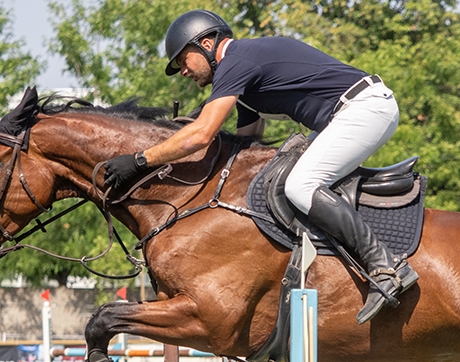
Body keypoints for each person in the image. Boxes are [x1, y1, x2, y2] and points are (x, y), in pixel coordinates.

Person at [103, 9, 418, 324]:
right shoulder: (243, 80)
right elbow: (247, 144)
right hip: (349, 113)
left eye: (183, 59)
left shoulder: (237, 60)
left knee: (300, 185)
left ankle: (385, 265)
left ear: (206, 43)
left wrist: (140, 160)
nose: (183, 71)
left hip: (364, 108)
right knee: (284, 178)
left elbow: (200, 135)